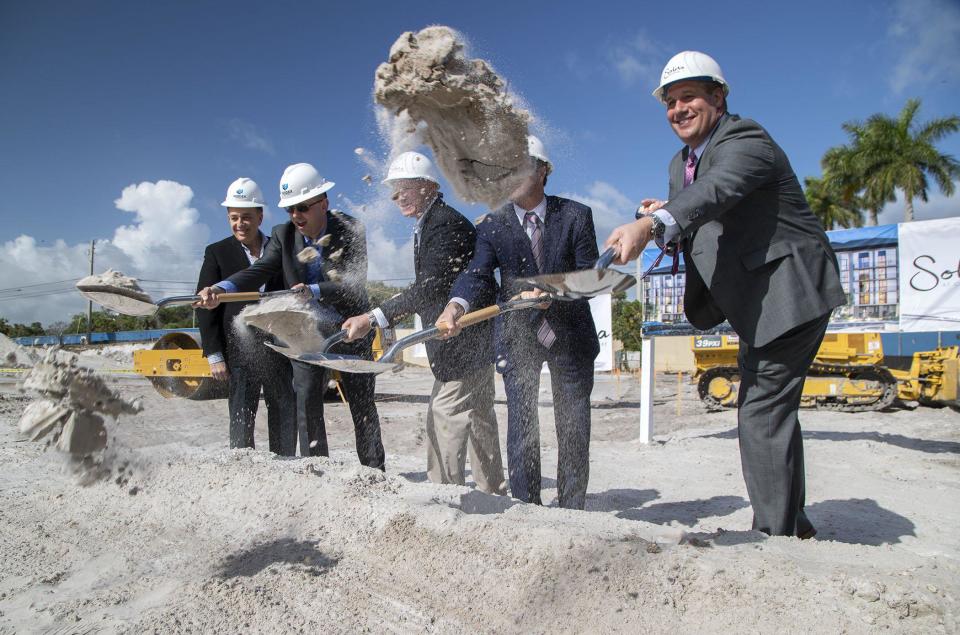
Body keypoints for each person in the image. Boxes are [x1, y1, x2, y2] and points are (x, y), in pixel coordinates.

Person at [604, 51, 846, 537]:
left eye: (688, 96)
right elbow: (694, 217)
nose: (677, 109)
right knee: (772, 411)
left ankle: (773, 538)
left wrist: (651, 223)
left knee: (760, 410)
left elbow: (716, 191)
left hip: (790, 290)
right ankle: (792, 524)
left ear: (718, 97)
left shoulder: (745, 137)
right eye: (669, 101)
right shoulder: (681, 163)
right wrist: (661, 218)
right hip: (757, 303)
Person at [436, 136, 600, 510]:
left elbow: (589, 277)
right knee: (522, 422)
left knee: (573, 424)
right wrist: (455, 306)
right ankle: (527, 506)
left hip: (571, 334)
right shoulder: (493, 225)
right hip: (519, 335)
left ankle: (572, 507)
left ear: (543, 170)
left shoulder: (576, 215)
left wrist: (553, 292)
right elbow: (477, 273)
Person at [196, 163, 385, 470]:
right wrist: (221, 287)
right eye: (289, 210)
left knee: (362, 407)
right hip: (307, 333)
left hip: (351, 329)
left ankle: (375, 473)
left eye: (302, 208)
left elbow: (354, 281)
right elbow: (259, 270)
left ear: (323, 203)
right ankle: (317, 472)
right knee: (307, 401)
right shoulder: (282, 235)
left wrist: (313, 289)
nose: (295, 216)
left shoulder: (351, 229)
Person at [341, 152, 506, 493]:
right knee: (478, 418)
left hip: (462, 340)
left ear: (428, 186)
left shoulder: (443, 224)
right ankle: (493, 494)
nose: (396, 196)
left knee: (444, 417)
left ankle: (445, 497)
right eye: (395, 189)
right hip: (464, 342)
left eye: (404, 187)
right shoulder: (431, 223)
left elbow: (428, 288)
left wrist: (373, 317)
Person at [196, 178, 296, 454]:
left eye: (246, 217)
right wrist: (214, 355)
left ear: (260, 216)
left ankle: (286, 462)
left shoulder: (280, 248)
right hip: (239, 349)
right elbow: (206, 308)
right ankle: (242, 466)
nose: (240, 224)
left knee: (284, 408)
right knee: (241, 412)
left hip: (278, 347)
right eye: (234, 218)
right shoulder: (217, 253)